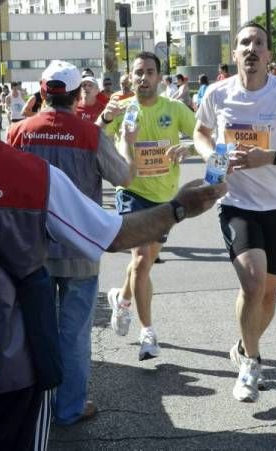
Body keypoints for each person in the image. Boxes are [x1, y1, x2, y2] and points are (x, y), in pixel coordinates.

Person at [0, 49, 225, 451]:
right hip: (14, 371)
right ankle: (71, 406)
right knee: (72, 334)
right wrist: (180, 207)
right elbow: (113, 235)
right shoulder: (34, 175)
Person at [193, 22, 276, 403]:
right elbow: (201, 133)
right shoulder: (217, 94)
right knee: (252, 283)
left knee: (267, 295)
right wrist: (213, 157)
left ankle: (242, 343)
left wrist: (273, 157)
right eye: (244, 43)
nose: (251, 49)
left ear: (268, 55)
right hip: (235, 203)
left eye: (259, 44)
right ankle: (251, 363)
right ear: (234, 54)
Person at [7, 60, 132, 426]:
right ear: (79, 95)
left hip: (31, 251)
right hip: (80, 249)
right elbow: (123, 176)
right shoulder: (89, 134)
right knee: (74, 335)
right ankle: (69, 408)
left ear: (43, 93)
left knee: (32, 331)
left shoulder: (18, 131)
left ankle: (34, 408)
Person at [103, 51, 197, 361]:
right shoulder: (123, 109)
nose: (144, 77)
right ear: (130, 77)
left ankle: (122, 298)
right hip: (131, 192)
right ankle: (148, 333)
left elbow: (203, 133)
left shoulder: (174, 108)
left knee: (142, 263)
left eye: (150, 72)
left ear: (159, 77)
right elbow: (94, 138)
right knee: (142, 260)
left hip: (165, 198)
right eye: (139, 72)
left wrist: (189, 147)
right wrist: (105, 119)